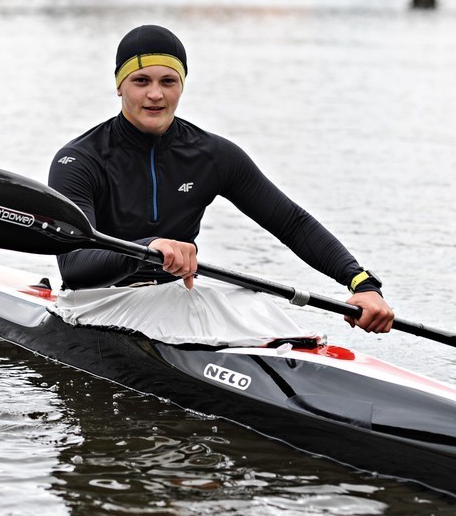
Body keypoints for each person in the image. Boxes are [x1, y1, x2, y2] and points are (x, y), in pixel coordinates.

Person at [49, 24, 394, 333]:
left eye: (168, 81)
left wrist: (361, 283)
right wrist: (147, 249)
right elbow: (74, 266)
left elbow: (291, 223)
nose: (155, 94)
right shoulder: (79, 160)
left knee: (258, 305)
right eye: (141, 81)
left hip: (174, 295)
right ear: (119, 87)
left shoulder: (212, 155)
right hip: (96, 300)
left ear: (181, 86)